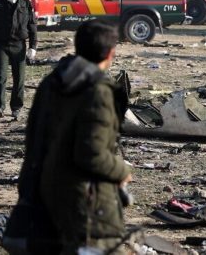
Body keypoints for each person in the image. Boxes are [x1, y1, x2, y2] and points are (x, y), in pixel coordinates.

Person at [23, 20, 132, 254]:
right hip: (86, 197)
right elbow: (92, 154)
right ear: (110, 53)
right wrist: (122, 171)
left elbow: (33, 137)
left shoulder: (53, 81)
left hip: (46, 187)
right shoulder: (98, 90)